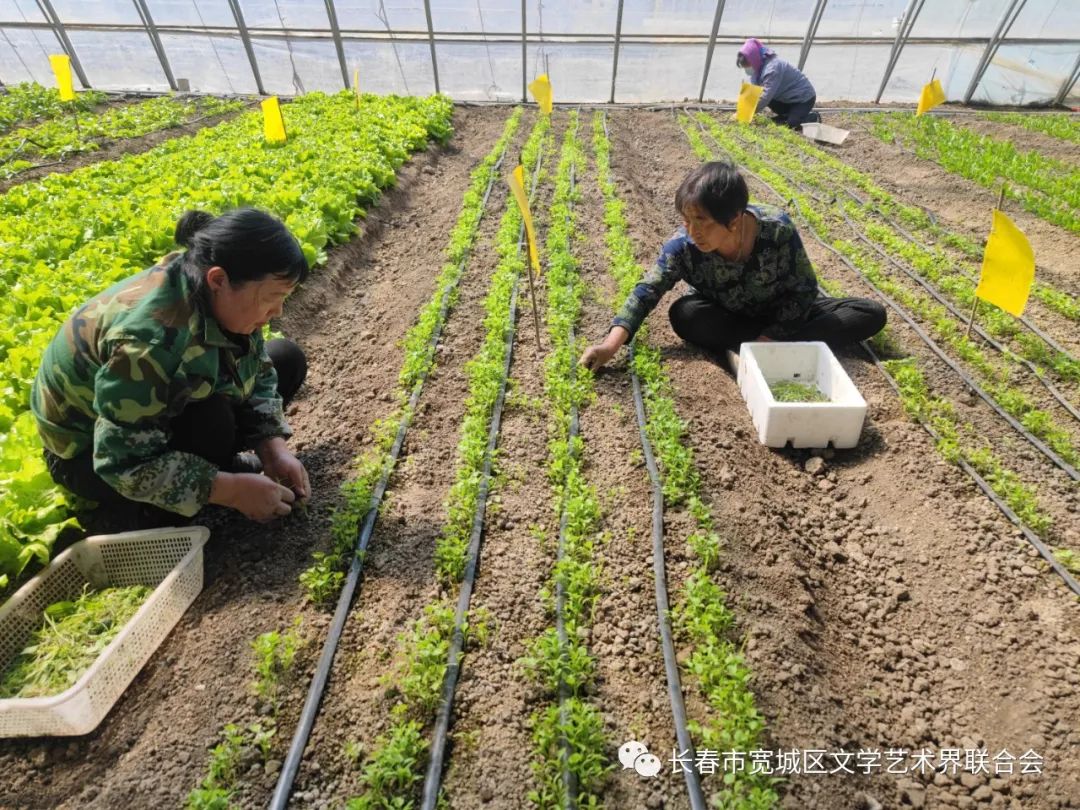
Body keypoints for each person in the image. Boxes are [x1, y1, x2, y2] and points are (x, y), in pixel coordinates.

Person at [32, 207, 312, 529]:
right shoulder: (146, 344)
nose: (276, 311)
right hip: (90, 458)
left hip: (149, 419)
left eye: (284, 299)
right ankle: (135, 513)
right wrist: (231, 490)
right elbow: (121, 461)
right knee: (212, 423)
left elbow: (256, 372)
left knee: (286, 358)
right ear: (219, 279)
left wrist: (273, 449)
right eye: (272, 298)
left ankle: (214, 471)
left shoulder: (224, 294)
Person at [579, 162, 886, 371]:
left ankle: (753, 348)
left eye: (702, 221)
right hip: (728, 316)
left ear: (734, 219)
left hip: (781, 316)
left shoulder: (776, 230)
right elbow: (646, 292)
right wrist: (609, 346)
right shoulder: (684, 247)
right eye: (686, 220)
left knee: (869, 314)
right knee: (685, 314)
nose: (692, 231)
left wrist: (772, 335)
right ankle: (765, 349)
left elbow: (804, 291)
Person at [737, 37, 819, 129]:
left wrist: (745, 114)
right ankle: (787, 115)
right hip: (785, 97)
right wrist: (742, 111)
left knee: (791, 124)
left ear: (754, 59)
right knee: (765, 97)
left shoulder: (772, 68)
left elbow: (766, 96)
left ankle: (812, 117)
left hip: (803, 99)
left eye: (748, 66)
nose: (747, 70)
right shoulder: (758, 66)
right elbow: (753, 90)